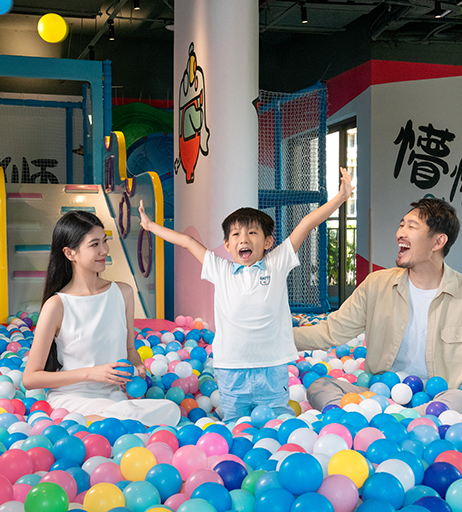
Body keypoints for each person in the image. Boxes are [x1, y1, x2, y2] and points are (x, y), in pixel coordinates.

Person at [140, 168, 354, 423]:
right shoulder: (220, 269)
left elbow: (306, 224)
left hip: (271, 366)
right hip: (232, 367)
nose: (244, 239)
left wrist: (340, 198)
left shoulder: (276, 263)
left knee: (276, 422)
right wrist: (150, 226)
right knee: (235, 422)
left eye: (252, 233)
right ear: (227, 245)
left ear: (268, 242)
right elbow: (187, 241)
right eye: (236, 234)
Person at [293, 198, 462, 420]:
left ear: (438, 242)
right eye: (401, 225)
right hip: (382, 395)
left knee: (461, 399)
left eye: (411, 227)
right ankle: (398, 419)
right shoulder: (376, 285)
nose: (399, 233)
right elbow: (331, 331)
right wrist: (277, 339)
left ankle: (384, 420)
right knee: (319, 386)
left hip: (439, 400)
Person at [21, 211, 180, 427]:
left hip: (114, 398)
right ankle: (84, 423)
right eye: (94, 244)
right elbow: (30, 378)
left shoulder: (123, 293)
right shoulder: (57, 305)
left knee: (170, 409)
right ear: (70, 253)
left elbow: (130, 350)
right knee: (127, 421)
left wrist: (138, 366)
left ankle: (85, 425)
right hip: (73, 399)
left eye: (104, 241)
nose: (104, 250)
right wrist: (91, 373)